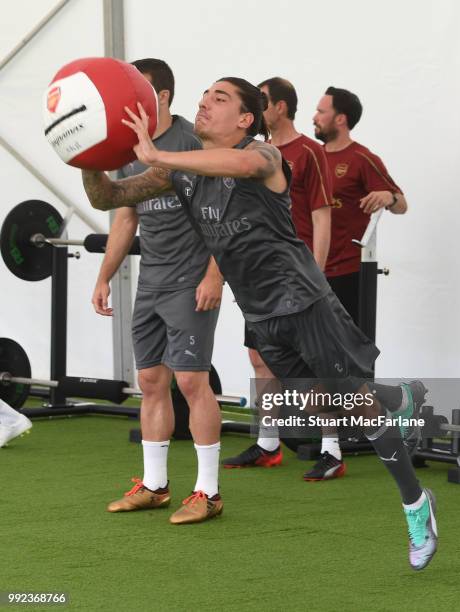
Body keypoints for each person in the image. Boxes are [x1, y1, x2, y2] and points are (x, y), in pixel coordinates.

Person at [82, 77, 437, 570]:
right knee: (318, 406)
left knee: (359, 411)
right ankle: (399, 399)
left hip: (305, 302)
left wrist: (158, 154)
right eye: (204, 96)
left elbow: (242, 164)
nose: (204, 103)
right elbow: (108, 197)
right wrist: (86, 155)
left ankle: (417, 506)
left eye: (219, 98)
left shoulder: (266, 156)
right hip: (262, 312)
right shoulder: (181, 172)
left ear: (247, 119)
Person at [92, 59, 224, 525]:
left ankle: (208, 492)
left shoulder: (191, 143)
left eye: (140, 92)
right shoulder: (131, 146)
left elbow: (221, 217)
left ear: (162, 96)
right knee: (150, 382)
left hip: (191, 280)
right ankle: (154, 486)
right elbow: (126, 215)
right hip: (151, 281)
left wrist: (215, 275)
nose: (131, 101)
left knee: (191, 382)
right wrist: (105, 275)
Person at [221, 77, 338, 478]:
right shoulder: (241, 152)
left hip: (297, 279)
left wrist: (316, 276)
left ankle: (333, 448)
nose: (255, 106)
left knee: (314, 364)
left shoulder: (308, 152)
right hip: (257, 279)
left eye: (262, 101)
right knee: (259, 359)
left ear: (280, 107)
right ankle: (268, 443)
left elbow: (323, 216)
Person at [313, 86, 407, 324]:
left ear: (340, 119)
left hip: (348, 273)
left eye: (321, 111)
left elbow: (402, 205)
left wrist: (389, 197)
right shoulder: (312, 156)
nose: (314, 117)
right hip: (310, 269)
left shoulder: (362, 159)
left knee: (350, 351)